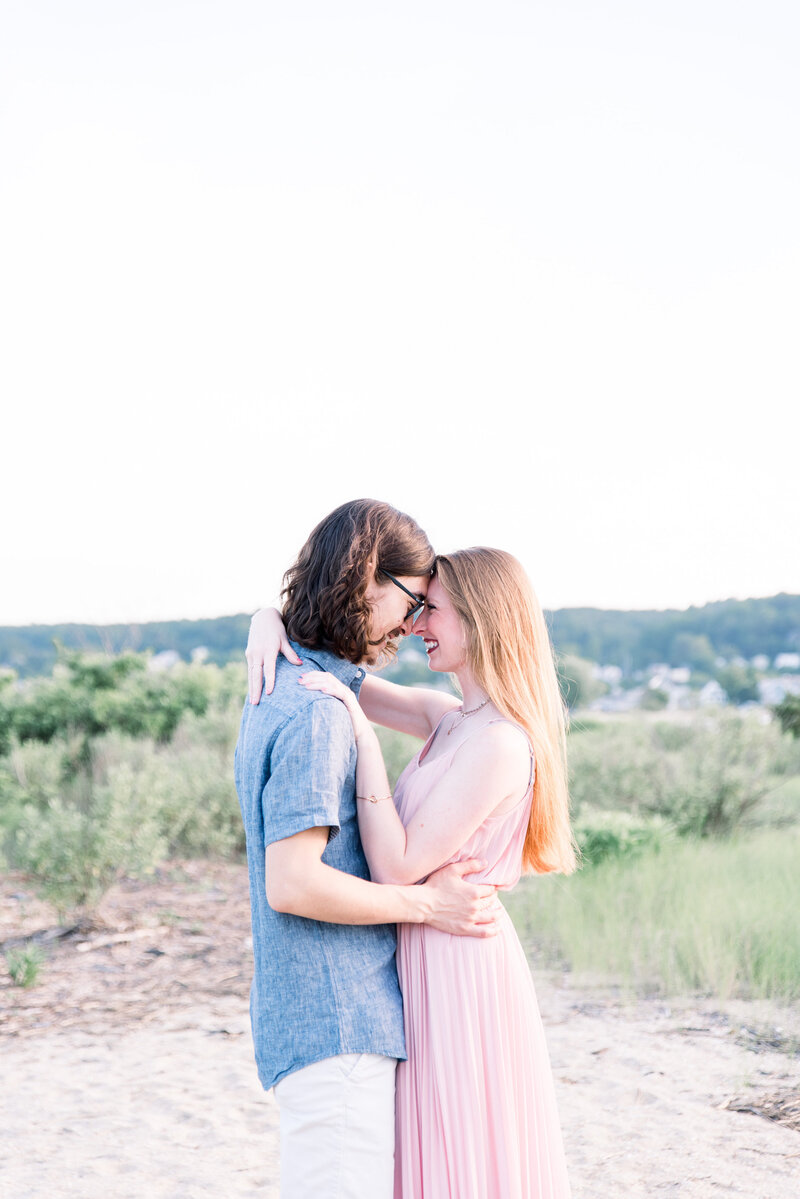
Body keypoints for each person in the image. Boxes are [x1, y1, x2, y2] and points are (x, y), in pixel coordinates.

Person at [250, 545, 575, 1198]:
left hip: (460, 962)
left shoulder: (501, 745)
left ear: (483, 619)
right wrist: (267, 618)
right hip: (418, 955)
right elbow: (336, 677)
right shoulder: (448, 718)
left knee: (462, 1148)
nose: (417, 625)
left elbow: (399, 865)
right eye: (419, 606)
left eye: (435, 611)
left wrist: (363, 742)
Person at [235, 500, 501, 1199]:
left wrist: (267, 617)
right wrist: (427, 903)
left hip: (315, 1017)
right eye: (411, 601)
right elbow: (291, 883)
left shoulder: (289, 680)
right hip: (339, 1019)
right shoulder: (321, 711)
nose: (412, 624)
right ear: (365, 581)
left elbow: (424, 709)